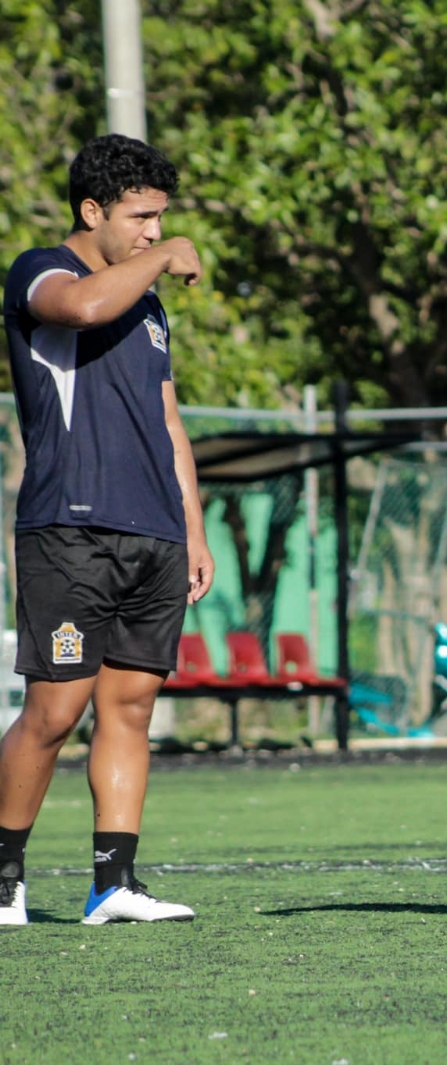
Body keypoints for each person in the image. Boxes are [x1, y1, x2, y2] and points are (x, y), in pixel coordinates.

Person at [0, 134, 214, 927]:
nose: (155, 231)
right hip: (70, 530)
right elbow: (84, 306)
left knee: (129, 711)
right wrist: (162, 259)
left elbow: (168, 422)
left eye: (162, 218)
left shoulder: (149, 307)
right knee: (56, 711)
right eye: (141, 216)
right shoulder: (41, 270)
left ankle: (112, 883)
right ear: (92, 211)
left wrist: (192, 528)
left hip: (152, 535)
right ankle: (2, 879)